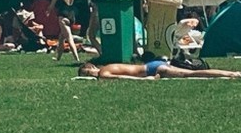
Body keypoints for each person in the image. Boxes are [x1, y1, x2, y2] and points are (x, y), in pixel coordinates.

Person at [77, 60, 241, 80]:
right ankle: (231, 73)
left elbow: (123, 78)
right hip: (152, 64)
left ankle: (232, 74)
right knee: (190, 73)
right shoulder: (107, 66)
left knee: (191, 74)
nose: (91, 74)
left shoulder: (103, 73)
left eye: (88, 72)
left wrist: (144, 80)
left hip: (152, 70)